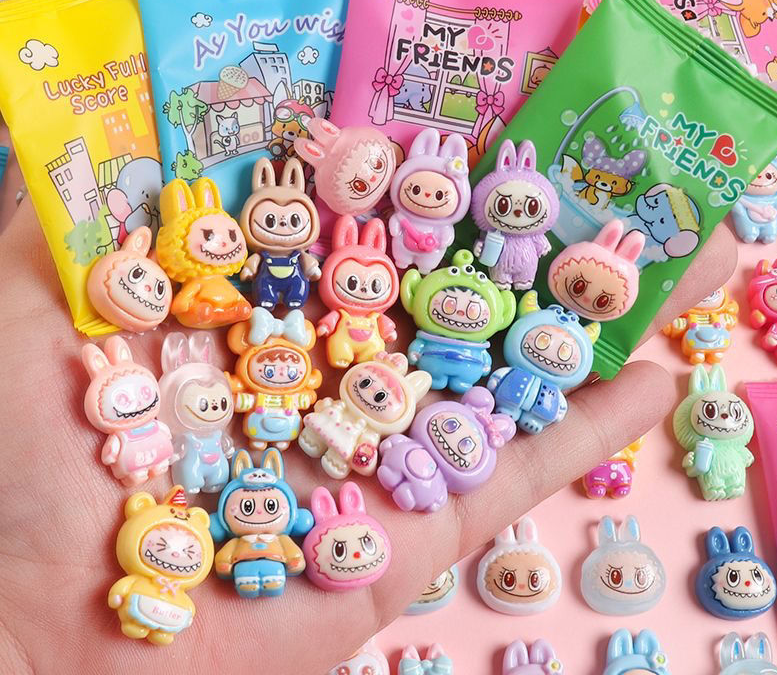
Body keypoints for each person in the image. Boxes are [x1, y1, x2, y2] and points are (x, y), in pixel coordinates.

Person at [0, 194, 736, 673]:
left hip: (340, 411)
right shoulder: (229, 475)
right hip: (271, 419)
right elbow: (247, 513)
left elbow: (286, 519)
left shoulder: (395, 375)